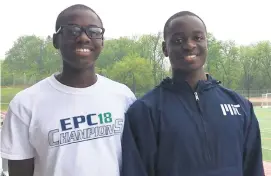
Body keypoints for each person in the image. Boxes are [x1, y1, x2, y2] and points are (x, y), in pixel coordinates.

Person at [121, 11, 264, 176]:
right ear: (165, 48)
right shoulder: (145, 111)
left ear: (206, 43)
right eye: (178, 40)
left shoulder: (240, 105)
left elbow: (253, 169)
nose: (189, 45)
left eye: (198, 38)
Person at [1, 4, 136, 176]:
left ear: (102, 41)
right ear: (56, 40)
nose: (83, 38)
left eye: (93, 31)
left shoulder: (123, 96)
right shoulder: (26, 104)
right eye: (72, 30)